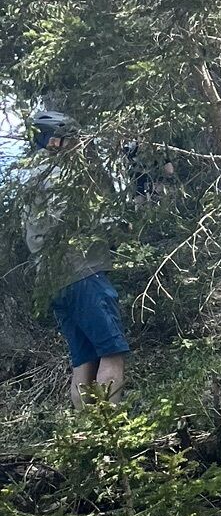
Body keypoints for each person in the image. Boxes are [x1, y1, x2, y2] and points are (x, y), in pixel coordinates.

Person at [22, 108, 129, 407]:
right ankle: (110, 426)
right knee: (112, 353)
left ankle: (83, 430)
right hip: (82, 272)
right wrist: (115, 224)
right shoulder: (59, 176)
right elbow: (75, 217)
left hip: (53, 280)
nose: (77, 145)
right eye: (70, 139)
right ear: (53, 141)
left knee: (84, 360)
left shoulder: (29, 178)